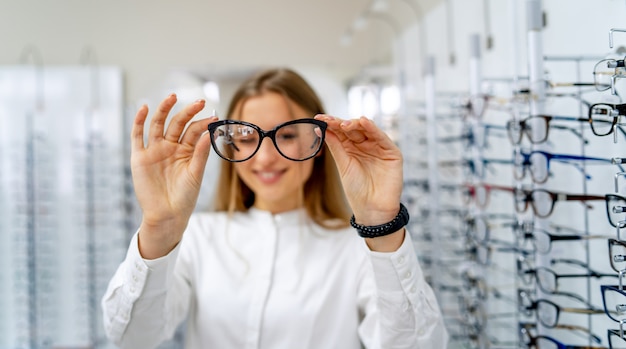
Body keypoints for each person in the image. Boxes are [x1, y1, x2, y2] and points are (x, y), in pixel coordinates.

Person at [101, 68, 448, 348]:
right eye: (247, 136)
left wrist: (382, 225)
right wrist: (159, 227)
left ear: (319, 137)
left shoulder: (359, 248)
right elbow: (131, 337)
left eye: (286, 134)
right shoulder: (199, 237)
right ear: (231, 144)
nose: (266, 157)